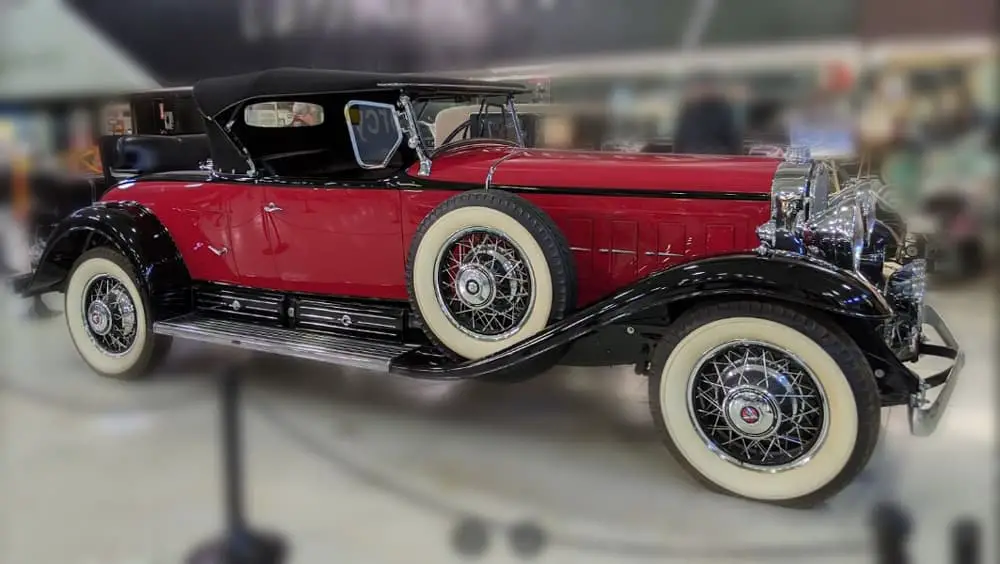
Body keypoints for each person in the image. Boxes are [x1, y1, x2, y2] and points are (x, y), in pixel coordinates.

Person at [672, 72, 743, 155]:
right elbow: (680, 140)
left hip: (715, 159)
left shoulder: (723, 110)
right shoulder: (689, 110)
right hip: (692, 159)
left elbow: (733, 141)